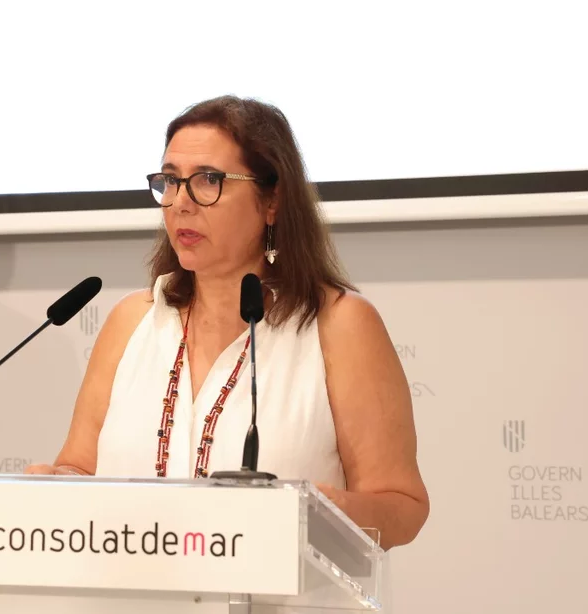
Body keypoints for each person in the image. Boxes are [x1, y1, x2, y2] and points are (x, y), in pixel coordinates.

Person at [26, 95, 429, 550]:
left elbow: (401, 506)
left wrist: (316, 509)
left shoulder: (339, 325)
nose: (180, 202)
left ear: (272, 199)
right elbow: (79, 467)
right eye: (171, 181)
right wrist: (56, 483)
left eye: (208, 181)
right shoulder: (131, 322)